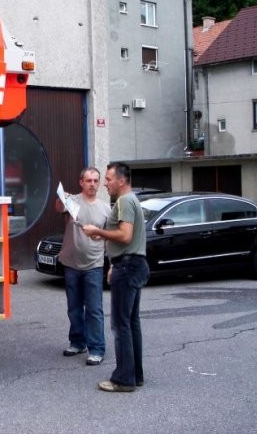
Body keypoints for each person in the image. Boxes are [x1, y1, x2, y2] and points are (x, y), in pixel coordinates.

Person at [82, 162, 150, 392]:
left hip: (129, 267)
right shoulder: (131, 200)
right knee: (131, 323)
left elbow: (124, 235)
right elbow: (127, 240)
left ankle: (123, 379)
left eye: (108, 179)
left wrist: (98, 231)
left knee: (121, 325)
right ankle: (134, 375)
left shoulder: (124, 201)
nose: (105, 183)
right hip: (131, 264)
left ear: (121, 180)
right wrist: (114, 262)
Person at [56, 167, 110, 366]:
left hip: (94, 264)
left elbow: (111, 238)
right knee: (74, 308)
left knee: (94, 309)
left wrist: (111, 263)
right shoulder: (72, 202)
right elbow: (57, 207)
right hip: (71, 263)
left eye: (96, 181)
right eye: (89, 181)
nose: (93, 184)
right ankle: (78, 342)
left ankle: (96, 349)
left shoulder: (106, 209)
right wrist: (63, 198)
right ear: (81, 182)